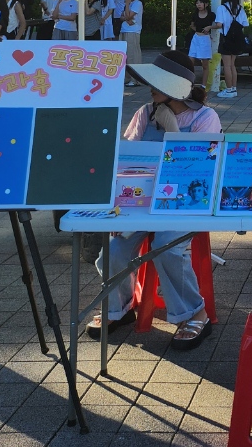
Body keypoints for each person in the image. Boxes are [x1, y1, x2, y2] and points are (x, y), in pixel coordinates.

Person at [88, 51, 217, 350]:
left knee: (166, 247)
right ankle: (119, 309)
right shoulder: (145, 113)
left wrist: (172, 129)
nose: (151, 88)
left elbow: (198, 168)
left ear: (177, 87)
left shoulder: (205, 117)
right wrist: (117, 209)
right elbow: (125, 159)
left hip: (186, 203)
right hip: (141, 201)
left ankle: (195, 313)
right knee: (115, 248)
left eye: (158, 83)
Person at [214, 0, 249, 99]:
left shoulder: (222, 8)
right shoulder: (240, 8)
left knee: (227, 66)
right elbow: (245, 24)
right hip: (237, 39)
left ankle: (228, 90)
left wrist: (210, 27)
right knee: (233, 65)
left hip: (226, 39)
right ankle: (233, 88)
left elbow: (219, 24)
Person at [187, 0, 216, 81]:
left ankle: (204, 85)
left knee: (205, 64)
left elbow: (219, 25)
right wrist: (197, 29)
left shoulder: (211, 15)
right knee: (190, 60)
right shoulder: (195, 14)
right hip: (196, 38)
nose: (198, 5)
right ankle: (191, 81)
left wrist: (209, 27)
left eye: (200, 3)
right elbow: (192, 25)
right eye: (197, 3)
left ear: (206, 4)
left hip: (205, 39)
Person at [120, 0, 144, 73]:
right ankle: (127, 77)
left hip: (133, 32)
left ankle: (135, 78)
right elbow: (122, 17)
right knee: (124, 56)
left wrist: (126, 4)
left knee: (132, 55)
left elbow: (128, 16)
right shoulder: (130, 2)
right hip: (124, 29)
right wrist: (127, 17)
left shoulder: (137, 3)